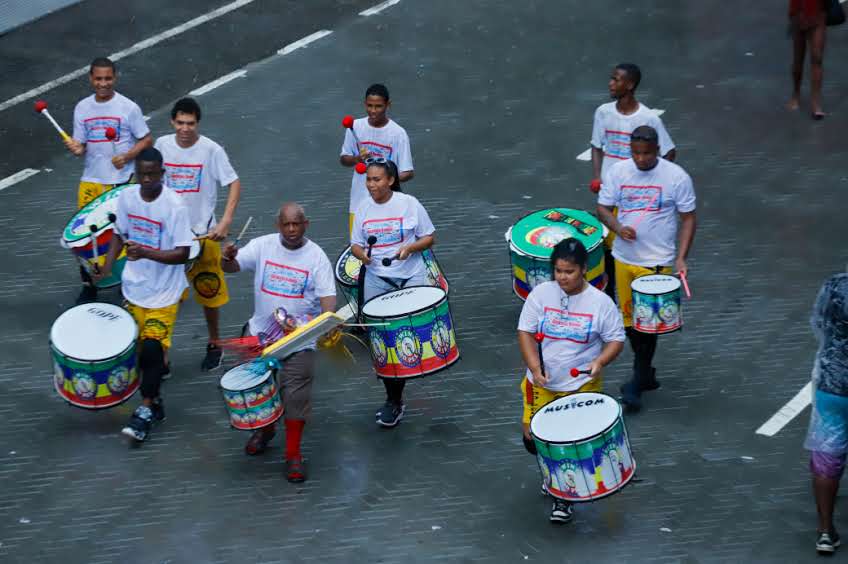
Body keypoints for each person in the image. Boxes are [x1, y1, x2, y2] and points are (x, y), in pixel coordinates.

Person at [221, 203, 336, 483]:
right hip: (260, 336)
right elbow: (232, 266)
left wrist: (324, 322)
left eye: (297, 224)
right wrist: (226, 257)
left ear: (306, 224)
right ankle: (266, 430)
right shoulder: (262, 246)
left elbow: (328, 300)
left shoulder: (317, 257)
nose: (292, 230)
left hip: (299, 342)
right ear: (278, 225)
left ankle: (293, 455)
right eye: (286, 224)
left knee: (295, 399)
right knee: (260, 392)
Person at [517, 238, 625, 523]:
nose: (562, 277)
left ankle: (563, 496)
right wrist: (534, 367)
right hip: (540, 383)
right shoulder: (540, 295)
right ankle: (554, 476)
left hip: (579, 387)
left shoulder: (600, 303)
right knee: (532, 440)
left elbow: (615, 340)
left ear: (584, 270)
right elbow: (525, 332)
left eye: (569, 272)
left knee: (563, 443)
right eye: (558, 271)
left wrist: (599, 361)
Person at [596, 125, 696, 413]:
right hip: (623, 260)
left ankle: (636, 382)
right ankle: (646, 373)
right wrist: (617, 227)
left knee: (647, 326)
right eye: (636, 153)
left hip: (656, 262)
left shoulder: (676, 178)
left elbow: (688, 218)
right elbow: (603, 208)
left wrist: (681, 257)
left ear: (658, 150)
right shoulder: (618, 173)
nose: (640, 159)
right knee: (629, 324)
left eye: (647, 153)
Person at [94, 148, 192, 443]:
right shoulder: (127, 198)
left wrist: (146, 252)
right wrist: (106, 268)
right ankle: (155, 399)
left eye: (153, 174)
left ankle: (145, 412)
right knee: (139, 353)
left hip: (165, 294)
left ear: (163, 174)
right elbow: (119, 235)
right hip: (134, 289)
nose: (147, 179)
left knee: (151, 350)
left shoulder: (175, 206)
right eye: (142, 174)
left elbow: (183, 253)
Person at [155, 97, 241, 371]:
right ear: (172, 122)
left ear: (198, 124)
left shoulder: (211, 150)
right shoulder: (161, 146)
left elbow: (234, 183)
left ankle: (214, 342)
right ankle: (163, 354)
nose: (185, 128)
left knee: (209, 293)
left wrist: (225, 221)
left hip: (204, 238)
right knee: (165, 299)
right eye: (180, 122)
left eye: (190, 123)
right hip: (170, 239)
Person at [350, 159, 435, 428]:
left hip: (411, 275)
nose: (371, 184)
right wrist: (362, 255)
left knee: (409, 334)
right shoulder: (363, 209)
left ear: (390, 180)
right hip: (378, 279)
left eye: (376, 179)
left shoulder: (409, 204)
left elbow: (429, 237)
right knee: (384, 342)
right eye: (369, 180)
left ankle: (419, 362)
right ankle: (394, 399)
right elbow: (355, 244)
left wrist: (409, 249)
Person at [65, 57, 152, 304]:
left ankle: (128, 287)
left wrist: (127, 156)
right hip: (91, 180)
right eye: (98, 79)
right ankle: (89, 282)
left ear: (115, 78)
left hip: (119, 183)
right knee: (82, 238)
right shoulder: (82, 108)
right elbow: (81, 146)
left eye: (108, 78)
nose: (103, 83)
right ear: (91, 79)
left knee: (123, 237)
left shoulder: (128, 108)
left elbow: (146, 139)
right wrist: (76, 148)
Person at [589, 63, 676, 300]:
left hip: (632, 197)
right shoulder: (603, 112)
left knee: (628, 244)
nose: (611, 83)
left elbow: (669, 151)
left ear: (630, 85)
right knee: (606, 247)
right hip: (609, 194)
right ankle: (608, 296)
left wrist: (652, 179)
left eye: (616, 80)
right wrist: (597, 175)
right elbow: (597, 146)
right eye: (611, 78)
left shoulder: (648, 118)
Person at [805, 273, 848, 554]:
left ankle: (824, 530)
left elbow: (818, 322)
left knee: (827, 456)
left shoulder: (836, 285)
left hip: (833, 383)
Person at [340, 83, 414, 235]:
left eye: (378, 106)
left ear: (388, 105)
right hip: (358, 201)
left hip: (388, 203)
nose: (373, 111)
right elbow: (344, 159)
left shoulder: (398, 134)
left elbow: (408, 172)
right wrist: (357, 159)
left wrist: (386, 180)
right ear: (364, 104)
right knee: (359, 247)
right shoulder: (355, 127)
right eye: (369, 105)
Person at [787, 0, 828, 119]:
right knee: (798, 60)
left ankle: (816, 104)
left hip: (818, 14)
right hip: (798, 14)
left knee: (817, 58)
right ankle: (796, 94)